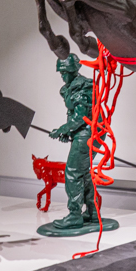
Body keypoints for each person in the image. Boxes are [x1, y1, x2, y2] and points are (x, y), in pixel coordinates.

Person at [48, 54, 98, 229]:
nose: (62, 76)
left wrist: (62, 129)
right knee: (83, 173)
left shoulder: (83, 87)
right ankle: (92, 212)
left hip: (89, 133)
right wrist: (67, 131)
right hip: (83, 132)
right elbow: (73, 115)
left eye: (65, 73)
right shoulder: (70, 88)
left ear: (72, 71)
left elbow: (80, 117)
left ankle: (75, 215)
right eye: (61, 73)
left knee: (72, 172)